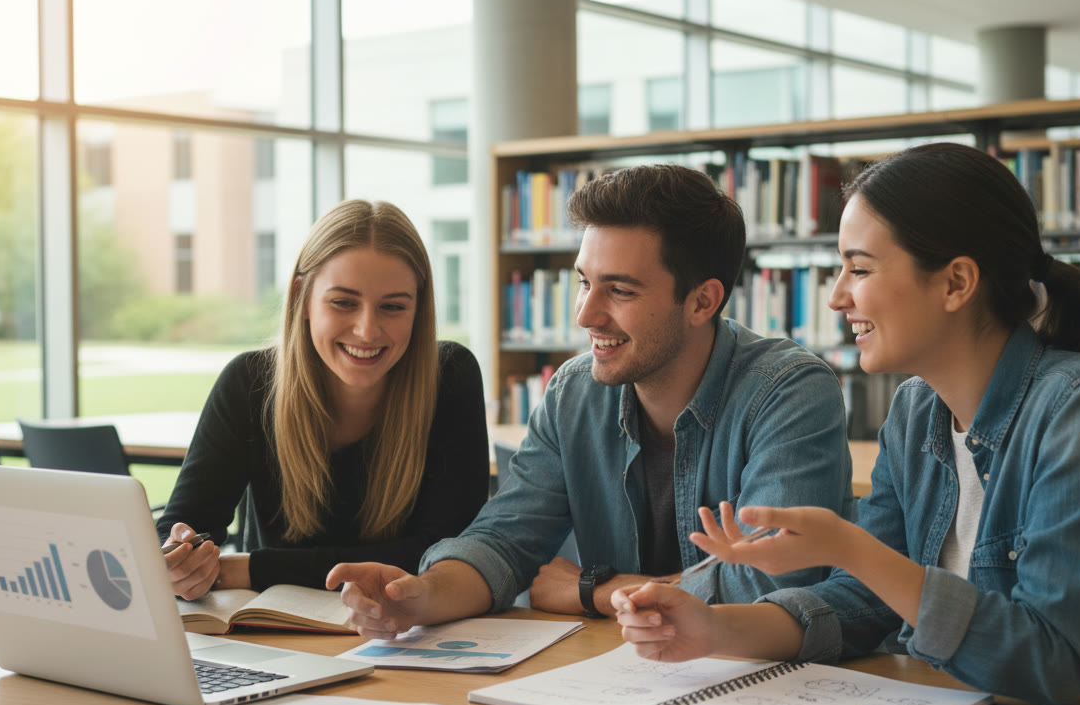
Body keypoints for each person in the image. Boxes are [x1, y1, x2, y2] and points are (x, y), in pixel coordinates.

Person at [612, 142, 1080, 705]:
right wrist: (714, 627)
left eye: (860, 269)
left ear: (956, 282)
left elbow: (1053, 661)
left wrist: (850, 547)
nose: (836, 297)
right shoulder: (916, 409)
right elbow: (863, 601)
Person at [326, 163, 856, 637]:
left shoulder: (791, 391)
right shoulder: (573, 391)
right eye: (584, 282)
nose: (585, 314)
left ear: (702, 301)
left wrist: (594, 590)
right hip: (621, 678)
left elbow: (767, 581)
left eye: (620, 291)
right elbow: (505, 542)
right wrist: (419, 597)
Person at [158, 199, 490, 601]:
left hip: (408, 639)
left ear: (419, 310)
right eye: (344, 303)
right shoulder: (249, 383)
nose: (367, 330)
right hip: (274, 636)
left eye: (393, 307)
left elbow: (444, 554)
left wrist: (252, 568)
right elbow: (181, 526)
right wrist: (179, 559)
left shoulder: (449, 376)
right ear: (302, 297)